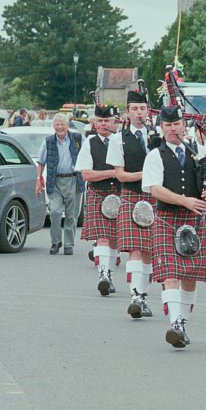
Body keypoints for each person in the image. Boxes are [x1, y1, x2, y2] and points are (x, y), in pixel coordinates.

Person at [141, 104, 206, 348]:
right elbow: (155, 189)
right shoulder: (155, 156)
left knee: (190, 276)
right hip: (167, 219)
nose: (173, 129)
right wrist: (184, 200)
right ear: (161, 128)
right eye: (168, 125)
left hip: (194, 221)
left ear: (184, 126)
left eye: (177, 124)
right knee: (170, 274)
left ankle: (182, 323)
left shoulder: (200, 151)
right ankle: (175, 324)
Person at [107, 88, 157, 318]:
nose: (139, 112)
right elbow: (120, 175)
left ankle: (142, 297)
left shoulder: (157, 137)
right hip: (132, 197)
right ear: (127, 112)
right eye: (134, 109)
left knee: (149, 251)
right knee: (135, 249)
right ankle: (135, 297)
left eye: (142, 108)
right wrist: (146, 175)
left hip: (155, 198)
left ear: (148, 111)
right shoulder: (118, 139)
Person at [74, 105, 121, 295]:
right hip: (98, 193)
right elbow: (86, 174)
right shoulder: (89, 143)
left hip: (120, 194)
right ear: (94, 123)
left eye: (107, 121)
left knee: (115, 239)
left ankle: (109, 274)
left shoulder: (122, 141)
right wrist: (114, 173)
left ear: (114, 122)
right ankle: (103, 276)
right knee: (102, 237)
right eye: (99, 121)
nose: (103, 124)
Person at [36, 114, 84, 256]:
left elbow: (88, 155)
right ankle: (56, 242)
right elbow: (41, 163)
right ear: (53, 126)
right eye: (57, 124)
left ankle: (69, 244)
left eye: (62, 124)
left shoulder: (78, 138)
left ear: (68, 125)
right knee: (55, 211)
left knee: (71, 216)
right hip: (55, 180)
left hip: (74, 180)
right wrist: (38, 179)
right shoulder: (48, 142)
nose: (60, 127)